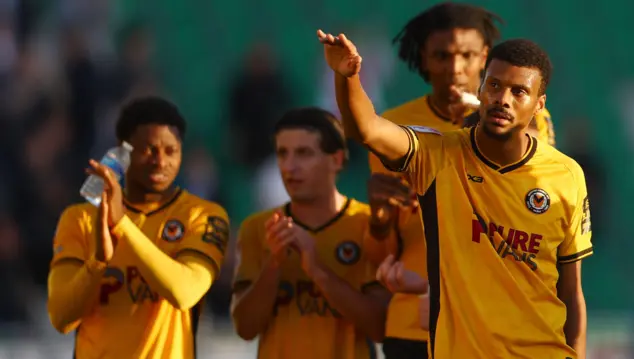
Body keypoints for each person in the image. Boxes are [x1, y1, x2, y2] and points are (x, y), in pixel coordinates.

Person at [318, 29, 592, 359]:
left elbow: (571, 289)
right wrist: (347, 77)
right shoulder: (438, 156)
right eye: (494, 85)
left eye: (519, 92)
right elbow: (367, 128)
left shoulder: (567, 175)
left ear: (538, 104)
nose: (502, 99)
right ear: (480, 88)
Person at [47, 97, 230, 358]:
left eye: (171, 151)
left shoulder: (202, 215)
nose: (160, 161)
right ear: (122, 153)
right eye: (148, 149)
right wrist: (98, 262)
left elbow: (185, 292)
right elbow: (61, 317)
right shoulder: (81, 219)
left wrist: (123, 225)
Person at [230, 108, 393, 359]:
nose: (289, 166)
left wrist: (318, 270)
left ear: (336, 160)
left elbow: (379, 327)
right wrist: (273, 264)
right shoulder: (257, 228)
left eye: (303, 154)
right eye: (282, 154)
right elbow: (245, 328)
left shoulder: (367, 225)